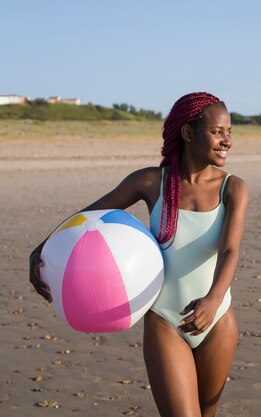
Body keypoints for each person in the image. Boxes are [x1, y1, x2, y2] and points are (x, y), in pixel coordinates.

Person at [29, 92, 248, 417]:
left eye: (229, 132)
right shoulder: (150, 182)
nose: (227, 140)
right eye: (218, 132)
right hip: (165, 321)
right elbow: (89, 216)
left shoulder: (233, 188)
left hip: (217, 320)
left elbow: (230, 250)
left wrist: (213, 300)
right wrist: (42, 249)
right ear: (188, 133)